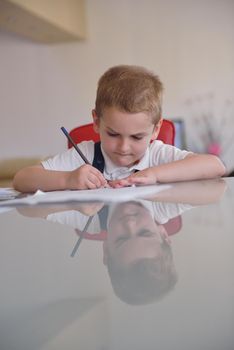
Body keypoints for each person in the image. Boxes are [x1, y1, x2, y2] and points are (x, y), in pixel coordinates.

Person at [13, 65, 226, 193]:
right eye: (113, 134)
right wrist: (67, 179)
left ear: (155, 129)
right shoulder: (87, 154)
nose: (124, 147)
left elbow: (215, 166)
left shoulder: (158, 155)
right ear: (96, 121)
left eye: (137, 136)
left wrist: (154, 174)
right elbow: (22, 179)